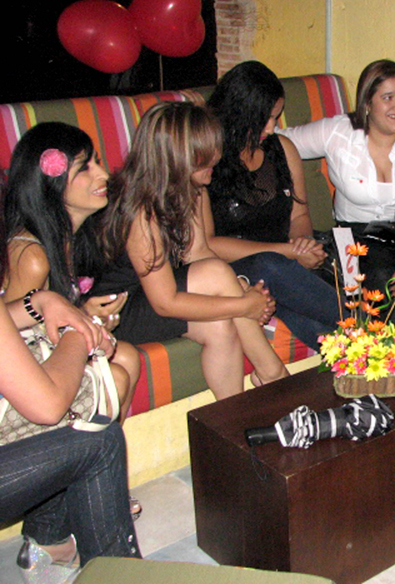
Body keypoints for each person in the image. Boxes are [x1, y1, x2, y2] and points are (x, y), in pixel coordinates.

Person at [95, 101, 288, 398]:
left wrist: (241, 288)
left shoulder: (192, 188)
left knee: (219, 327)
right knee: (216, 275)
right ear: (176, 156)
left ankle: (233, 414)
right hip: (117, 310)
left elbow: (198, 253)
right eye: (205, 152)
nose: (217, 157)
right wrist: (244, 306)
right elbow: (165, 303)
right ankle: (273, 374)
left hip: (155, 292)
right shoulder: (140, 211)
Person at [0, 205, 140, 582]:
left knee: (95, 397)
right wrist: (81, 333)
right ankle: (116, 574)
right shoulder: (30, 252)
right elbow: (47, 405)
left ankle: (49, 542)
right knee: (99, 440)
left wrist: (40, 302)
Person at [281, 59, 395, 327]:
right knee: (384, 284)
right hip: (360, 236)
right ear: (367, 103)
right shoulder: (338, 132)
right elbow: (280, 140)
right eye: (388, 97)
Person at [3, 122, 140, 422]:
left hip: (50, 354)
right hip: (26, 384)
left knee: (128, 356)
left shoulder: (73, 238)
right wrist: (81, 325)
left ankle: (103, 447)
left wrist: (85, 314)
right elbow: (13, 343)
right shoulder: (31, 256)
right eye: (84, 168)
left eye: (97, 162)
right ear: (51, 182)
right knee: (116, 373)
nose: (104, 175)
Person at [205, 61, 340, 348]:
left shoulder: (282, 149)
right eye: (264, 118)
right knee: (270, 266)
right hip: (231, 271)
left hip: (283, 271)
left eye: (276, 117)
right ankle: (378, 334)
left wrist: (303, 244)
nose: (271, 127)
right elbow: (209, 244)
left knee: (317, 327)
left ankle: (372, 364)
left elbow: (299, 215)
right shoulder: (207, 158)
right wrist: (290, 252)